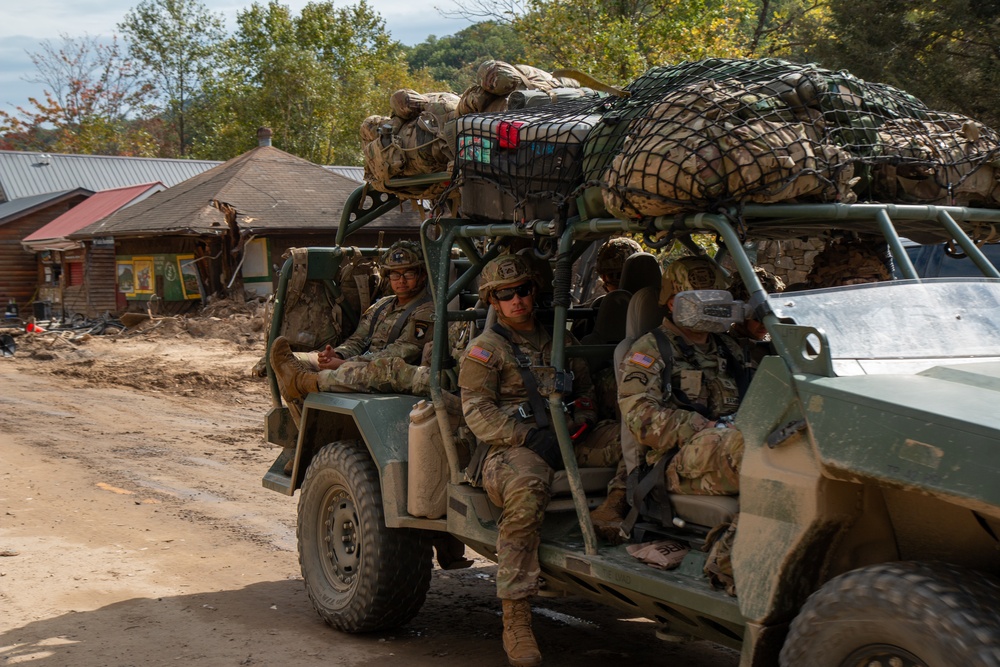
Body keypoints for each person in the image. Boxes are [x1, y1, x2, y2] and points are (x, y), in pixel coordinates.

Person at [458, 254, 621, 667]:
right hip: (509, 450)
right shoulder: (485, 350)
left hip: (568, 437)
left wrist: (580, 423)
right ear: (493, 300)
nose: (517, 300)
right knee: (529, 490)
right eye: (505, 294)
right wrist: (529, 435)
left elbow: (586, 395)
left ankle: (614, 513)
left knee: (632, 443)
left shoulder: (562, 342)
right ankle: (516, 617)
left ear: (535, 292)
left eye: (524, 290)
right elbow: (478, 414)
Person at [617, 256, 748, 497]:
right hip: (676, 458)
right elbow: (640, 419)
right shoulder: (650, 349)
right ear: (671, 303)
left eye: (712, 300)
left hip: (729, 442)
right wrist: (706, 426)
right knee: (750, 454)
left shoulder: (730, 348)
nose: (706, 308)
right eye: (696, 301)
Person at [270, 239, 435, 424]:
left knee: (325, 375)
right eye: (395, 275)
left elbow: (402, 352)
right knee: (290, 363)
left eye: (409, 274)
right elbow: (358, 339)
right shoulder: (383, 305)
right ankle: (305, 425)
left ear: (421, 276)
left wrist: (345, 363)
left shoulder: (426, 311)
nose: (401, 281)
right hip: (357, 362)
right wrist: (337, 353)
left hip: (385, 371)